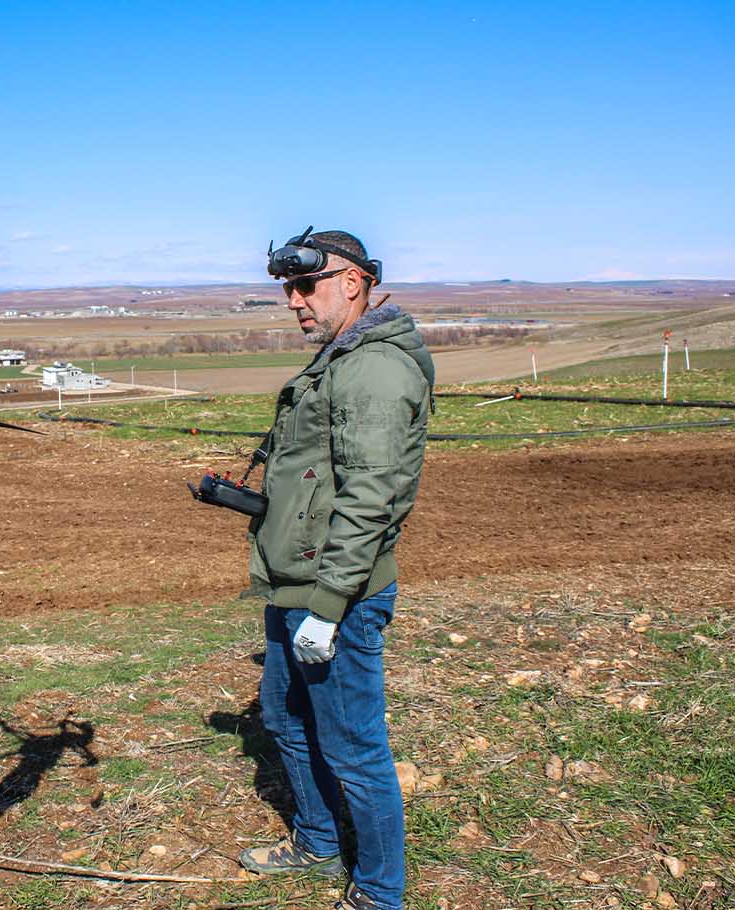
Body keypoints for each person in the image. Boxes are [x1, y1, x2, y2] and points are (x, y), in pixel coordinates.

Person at [238, 230, 433, 910]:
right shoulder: (341, 358)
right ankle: (319, 843)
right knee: (287, 718)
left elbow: (371, 497)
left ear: (353, 282)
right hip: (299, 580)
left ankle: (380, 893)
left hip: (335, 592)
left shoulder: (375, 369)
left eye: (305, 286)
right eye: (286, 289)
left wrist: (328, 606)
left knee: (353, 746)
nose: (293, 301)